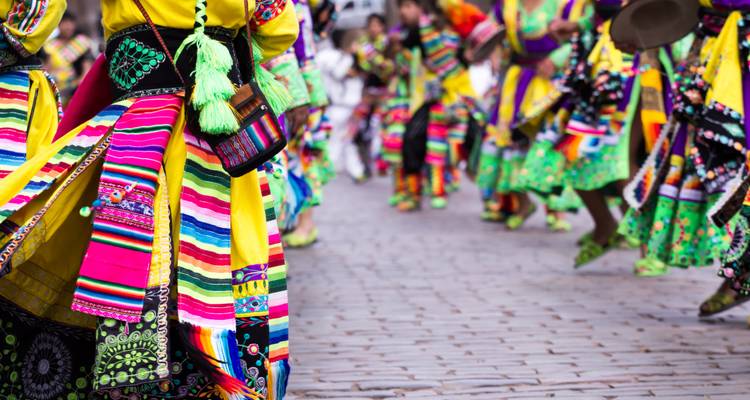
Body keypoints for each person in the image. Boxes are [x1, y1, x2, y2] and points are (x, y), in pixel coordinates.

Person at [0, 0, 298, 398]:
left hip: (141, 131)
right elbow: (279, 29)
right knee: (230, 257)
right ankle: (226, 378)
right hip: (220, 134)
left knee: (122, 256)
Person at [477, 0, 590, 230]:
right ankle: (522, 204)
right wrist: (494, 55)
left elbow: (587, 35)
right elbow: (487, 36)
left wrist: (557, 58)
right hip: (517, 82)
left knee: (551, 142)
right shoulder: (506, 7)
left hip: (553, 82)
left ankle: (556, 210)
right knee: (513, 140)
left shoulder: (566, 5)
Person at [395, 0, 480, 211]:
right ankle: (413, 194)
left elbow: (474, 50)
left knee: (477, 139)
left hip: (459, 95)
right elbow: (403, 54)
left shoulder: (461, 28)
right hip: (431, 97)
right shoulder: (421, 30)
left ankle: (497, 199)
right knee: (413, 137)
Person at [44, 12, 94, 107]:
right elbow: (47, 68)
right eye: (65, 23)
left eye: (71, 23)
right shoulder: (50, 45)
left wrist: (80, 87)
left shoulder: (81, 43)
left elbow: (87, 67)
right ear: (58, 24)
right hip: (57, 90)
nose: (68, 26)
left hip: (77, 90)